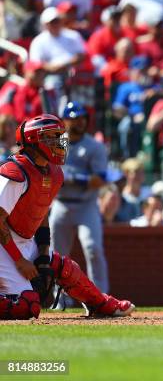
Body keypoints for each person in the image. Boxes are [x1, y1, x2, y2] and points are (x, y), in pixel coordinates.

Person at [0, 114, 134, 319]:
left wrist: (43, 254)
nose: (59, 142)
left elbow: (41, 213)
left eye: (59, 137)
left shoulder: (53, 173)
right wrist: (19, 260)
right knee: (28, 305)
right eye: (51, 137)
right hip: (4, 244)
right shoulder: (15, 171)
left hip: (23, 239)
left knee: (64, 267)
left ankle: (100, 303)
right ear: (35, 140)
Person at [49, 102, 111, 301]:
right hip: (61, 204)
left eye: (82, 118)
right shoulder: (59, 143)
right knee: (57, 256)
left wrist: (71, 178)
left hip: (86, 205)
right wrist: (73, 178)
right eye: (74, 118)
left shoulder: (94, 145)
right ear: (65, 120)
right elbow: (50, 174)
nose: (79, 122)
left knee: (93, 249)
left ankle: (99, 298)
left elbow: (99, 179)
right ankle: (60, 300)